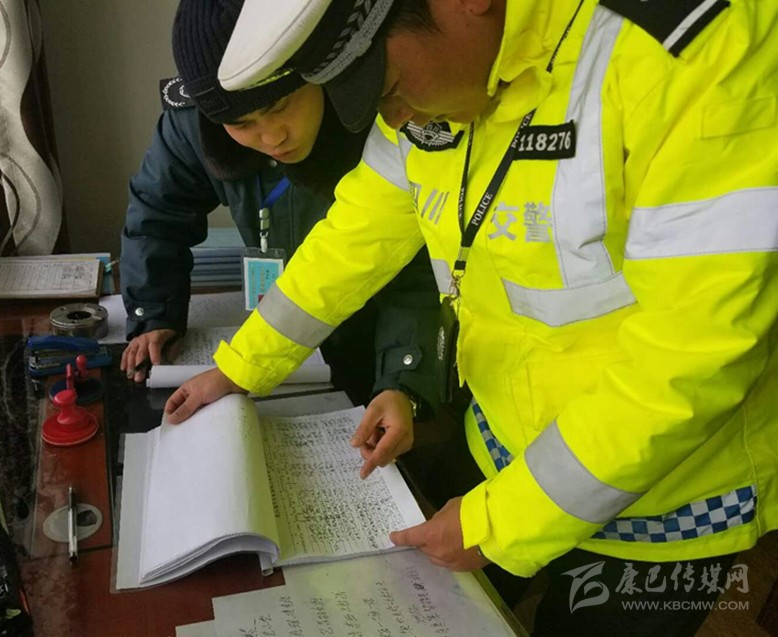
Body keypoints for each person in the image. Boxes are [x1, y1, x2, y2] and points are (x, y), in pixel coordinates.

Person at [165, 0, 778, 634]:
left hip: (665, 504)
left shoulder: (699, 52)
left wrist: (503, 521)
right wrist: (240, 368)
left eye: (387, 89)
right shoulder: (429, 76)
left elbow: (691, 355)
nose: (392, 118)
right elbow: (354, 236)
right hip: (504, 444)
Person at [119, 0, 443, 434]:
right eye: (242, 124)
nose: (273, 137)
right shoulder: (194, 121)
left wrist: (403, 379)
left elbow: (414, 267)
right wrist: (155, 313)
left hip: (383, 340)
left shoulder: (383, 114)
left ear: (318, 73)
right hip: (279, 337)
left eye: (282, 106)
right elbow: (157, 212)